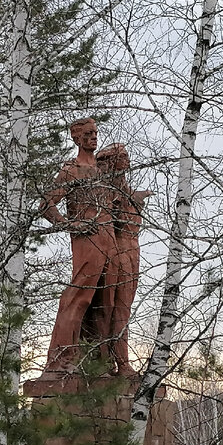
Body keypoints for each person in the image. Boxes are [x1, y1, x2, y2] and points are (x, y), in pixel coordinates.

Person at [39, 118, 117, 374]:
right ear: (77, 138)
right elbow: (47, 205)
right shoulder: (71, 169)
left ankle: (99, 363)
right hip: (87, 240)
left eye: (95, 132)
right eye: (88, 133)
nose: (94, 137)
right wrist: (72, 225)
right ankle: (62, 359)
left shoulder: (103, 170)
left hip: (110, 239)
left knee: (106, 302)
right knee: (78, 298)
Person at [94, 143, 153, 377]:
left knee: (122, 309)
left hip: (132, 249)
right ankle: (109, 361)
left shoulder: (122, 187)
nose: (127, 160)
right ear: (113, 161)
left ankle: (119, 360)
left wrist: (135, 197)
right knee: (109, 307)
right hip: (116, 249)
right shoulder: (106, 189)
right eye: (123, 156)